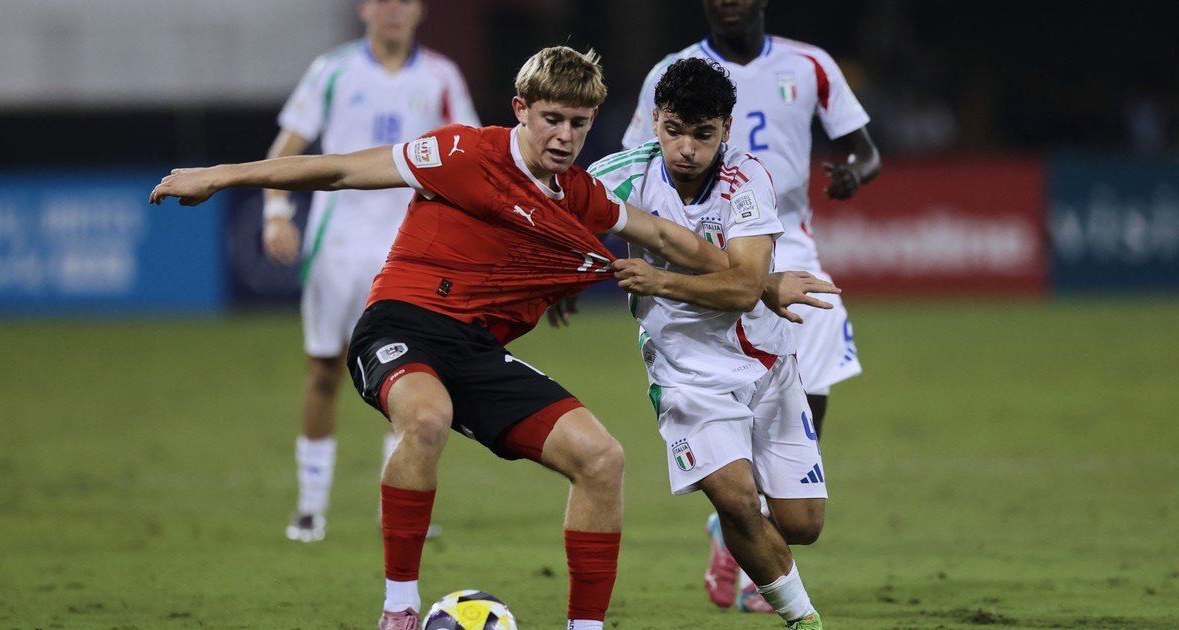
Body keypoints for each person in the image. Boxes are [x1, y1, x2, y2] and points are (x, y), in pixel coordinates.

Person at [152, 45, 833, 630]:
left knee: (603, 459)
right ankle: (398, 609)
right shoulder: (461, 151)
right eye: (552, 120)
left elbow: (663, 236)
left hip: (476, 353)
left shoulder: (580, 198)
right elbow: (339, 168)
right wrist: (219, 177)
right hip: (401, 326)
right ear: (521, 109)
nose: (564, 136)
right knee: (426, 419)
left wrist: (765, 285)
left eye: (579, 123)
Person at [621, 0, 881, 611]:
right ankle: (741, 513)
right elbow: (636, 168)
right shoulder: (674, 70)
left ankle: (749, 516)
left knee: (806, 393)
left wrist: (854, 175)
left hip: (793, 249)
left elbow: (866, 150)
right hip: (699, 245)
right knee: (732, 431)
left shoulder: (810, 65)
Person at [591, 57, 827, 629]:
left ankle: (732, 529)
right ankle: (805, 620)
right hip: (686, 376)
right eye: (674, 131)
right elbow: (541, 210)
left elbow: (746, 288)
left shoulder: (748, 180)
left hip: (767, 364)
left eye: (702, 134)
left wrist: (659, 281)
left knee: (802, 526)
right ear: (654, 122)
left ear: (725, 127)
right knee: (742, 502)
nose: (687, 149)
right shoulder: (619, 174)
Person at [261, 0, 479, 543]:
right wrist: (274, 211)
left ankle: (397, 501)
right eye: (382, 0)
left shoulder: (440, 76)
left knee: (413, 372)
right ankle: (310, 507)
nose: (392, 11)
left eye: (403, 1)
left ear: (419, 10)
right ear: (364, 9)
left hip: (407, 250)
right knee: (324, 371)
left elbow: (470, 154)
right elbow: (287, 149)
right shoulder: (332, 70)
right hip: (335, 246)